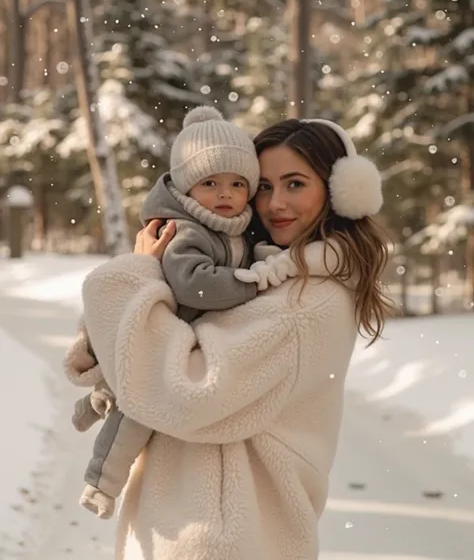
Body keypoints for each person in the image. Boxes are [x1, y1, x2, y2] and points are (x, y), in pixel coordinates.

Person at [66, 117, 391, 560]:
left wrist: (136, 277)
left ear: (337, 193)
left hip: (222, 537)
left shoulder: (307, 302)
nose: (275, 203)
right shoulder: (268, 274)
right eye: (263, 186)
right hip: (206, 528)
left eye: (295, 184)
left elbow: (184, 391)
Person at [67, 105, 265, 519]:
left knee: (120, 387)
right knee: (137, 412)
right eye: (210, 182)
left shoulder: (232, 228)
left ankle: (93, 403)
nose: (225, 193)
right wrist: (253, 281)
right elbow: (196, 284)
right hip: (157, 330)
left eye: (237, 183)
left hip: (171, 332)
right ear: (186, 187)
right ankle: (101, 483)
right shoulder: (184, 230)